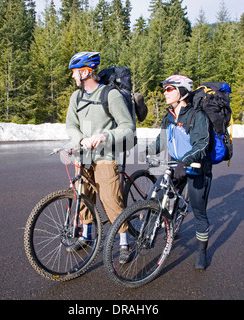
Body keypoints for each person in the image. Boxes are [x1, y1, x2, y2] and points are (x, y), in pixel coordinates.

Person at [65, 52, 135, 263]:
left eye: (74, 72)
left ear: (85, 71)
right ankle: (86, 236)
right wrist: (80, 140)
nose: (72, 77)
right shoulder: (76, 97)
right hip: (83, 155)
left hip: (105, 154)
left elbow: (127, 128)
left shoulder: (110, 95)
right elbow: (71, 125)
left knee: (110, 199)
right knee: (81, 195)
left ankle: (124, 242)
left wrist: (105, 136)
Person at [139, 75, 213, 271]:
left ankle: (201, 251)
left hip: (197, 169)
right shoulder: (169, 116)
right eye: (164, 89)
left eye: (169, 89)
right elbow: (162, 141)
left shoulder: (197, 116)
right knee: (162, 198)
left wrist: (185, 162)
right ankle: (171, 225)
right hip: (175, 166)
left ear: (182, 93)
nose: (165, 92)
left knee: (199, 212)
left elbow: (202, 145)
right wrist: (147, 150)